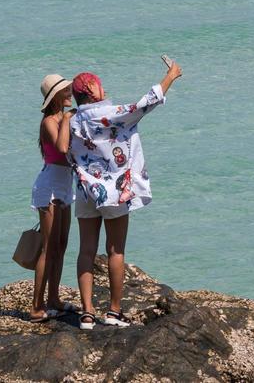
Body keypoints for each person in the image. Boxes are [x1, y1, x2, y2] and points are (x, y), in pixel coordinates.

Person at [68, 56, 183, 330]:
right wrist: (171, 76)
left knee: (86, 250)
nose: (103, 88)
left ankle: (86, 313)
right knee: (115, 250)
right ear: (92, 91)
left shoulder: (72, 120)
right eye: (98, 85)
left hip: (85, 191)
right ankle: (114, 311)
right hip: (114, 192)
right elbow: (144, 104)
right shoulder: (110, 113)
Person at [30, 74, 75, 323]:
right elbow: (61, 147)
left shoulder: (65, 118)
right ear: (56, 96)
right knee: (48, 248)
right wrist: (68, 119)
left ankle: (54, 299)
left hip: (66, 184)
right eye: (66, 91)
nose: (70, 94)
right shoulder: (49, 121)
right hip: (49, 187)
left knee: (61, 245)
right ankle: (36, 307)